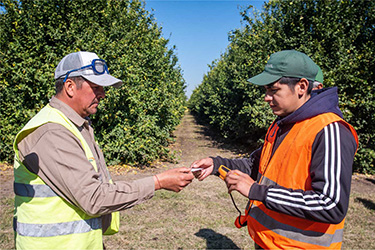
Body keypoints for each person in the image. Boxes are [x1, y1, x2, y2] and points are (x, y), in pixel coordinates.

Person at [13, 51, 194, 250]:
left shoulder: (75, 125)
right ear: (70, 87)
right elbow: (94, 197)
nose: (103, 94)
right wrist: (157, 182)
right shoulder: (52, 132)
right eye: (96, 87)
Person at [191, 50, 358, 249]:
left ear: (302, 87)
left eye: (273, 90)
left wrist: (256, 190)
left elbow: (330, 204)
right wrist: (217, 164)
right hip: (267, 241)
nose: (266, 98)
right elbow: (255, 165)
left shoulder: (330, 130)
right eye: (266, 90)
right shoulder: (281, 125)